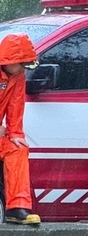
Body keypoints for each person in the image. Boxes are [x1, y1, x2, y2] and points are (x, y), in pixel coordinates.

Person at [0, 33, 40, 225]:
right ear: (10, 60)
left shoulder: (17, 75)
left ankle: (16, 208)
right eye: (22, 63)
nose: (23, 68)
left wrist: (15, 134)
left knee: (18, 149)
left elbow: (16, 107)